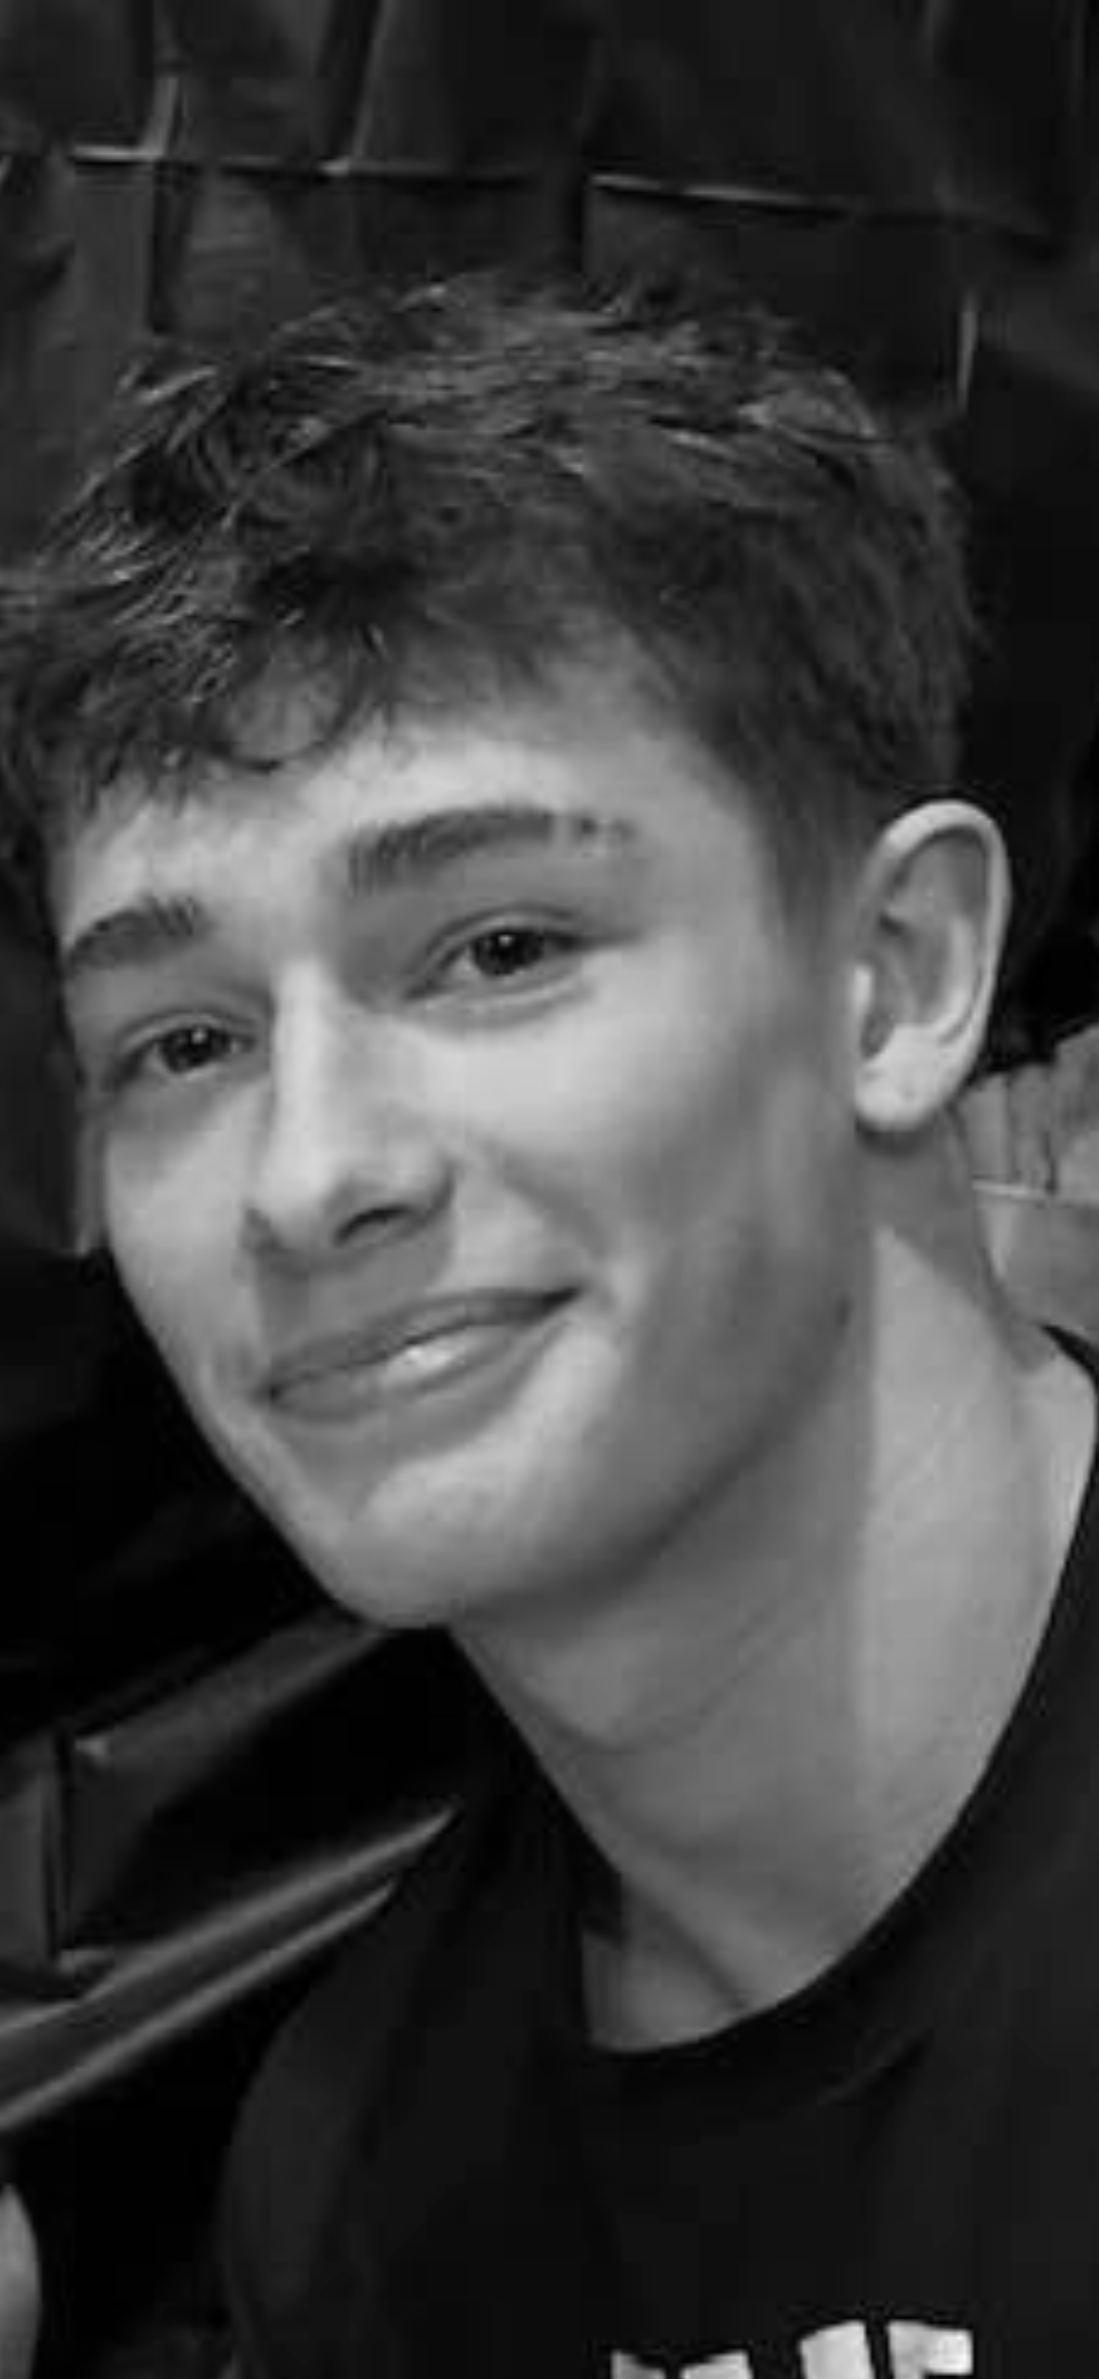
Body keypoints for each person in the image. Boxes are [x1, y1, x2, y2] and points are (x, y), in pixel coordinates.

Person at [1, 274, 1096, 2379]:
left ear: (892, 979)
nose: (312, 1172)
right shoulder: (375, 2199)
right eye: (183, 1039)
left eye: (498, 945)